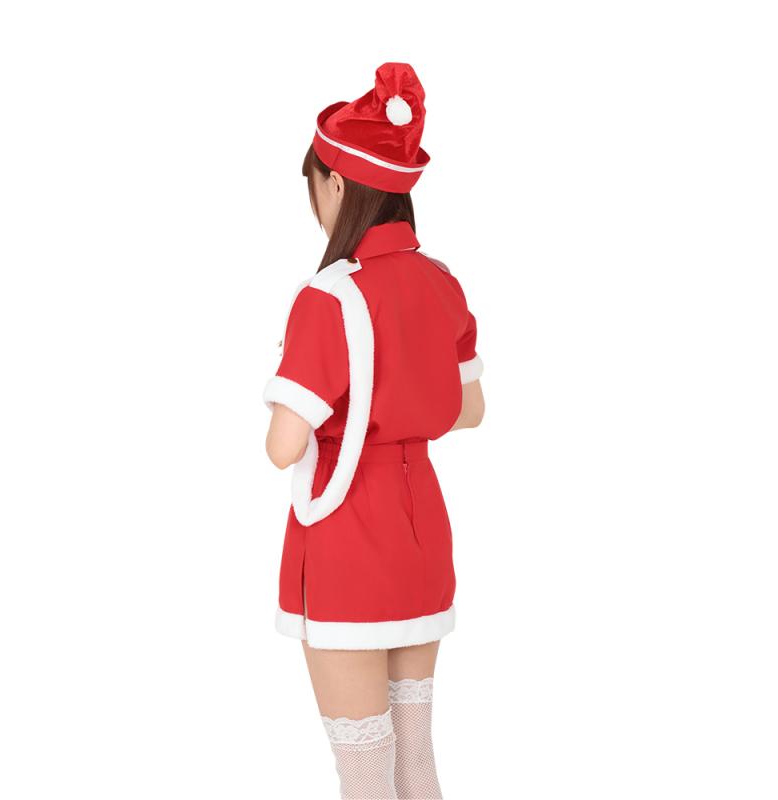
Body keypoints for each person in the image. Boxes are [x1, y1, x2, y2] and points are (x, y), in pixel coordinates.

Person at [263, 62, 484, 800]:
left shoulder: (329, 298)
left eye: (315, 187)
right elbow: (470, 408)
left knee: (363, 772)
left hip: (350, 538)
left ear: (336, 183)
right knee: (414, 758)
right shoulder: (441, 282)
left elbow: (283, 447)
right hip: (422, 533)